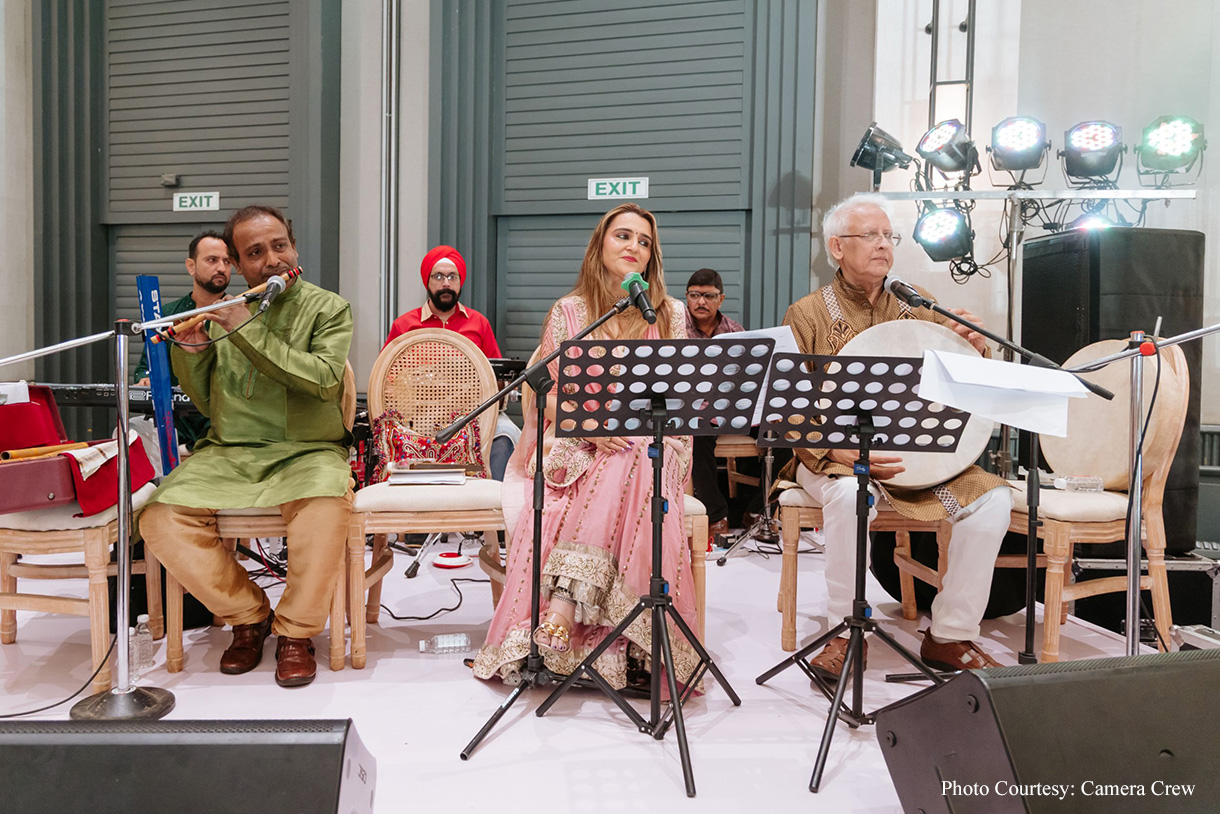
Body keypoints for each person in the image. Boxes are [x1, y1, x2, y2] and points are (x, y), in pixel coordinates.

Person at [779, 192, 1012, 677]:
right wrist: (836, 449)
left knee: (993, 502)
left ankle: (950, 635)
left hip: (914, 463)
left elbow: (962, 389)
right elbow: (789, 408)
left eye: (889, 236)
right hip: (834, 459)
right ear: (837, 248)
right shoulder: (806, 314)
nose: (884, 244)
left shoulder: (917, 308)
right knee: (850, 495)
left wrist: (975, 348)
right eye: (871, 235)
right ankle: (846, 630)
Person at [472, 202, 700, 689]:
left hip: (659, 444)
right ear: (599, 245)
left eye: (644, 241)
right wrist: (589, 425)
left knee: (640, 450)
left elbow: (681, 397)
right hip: (583, 443)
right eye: (623, 236)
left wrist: (630, 432)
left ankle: (564, 605)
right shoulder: (570, 312)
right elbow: (547, 394)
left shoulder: (672, 315)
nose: (634, 247)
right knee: (627, 455)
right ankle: (615, 642)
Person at [139, 205, 354, 688]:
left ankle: (296, 633)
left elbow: (322, 381)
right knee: (159, 516)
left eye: (279, 245)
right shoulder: (223, 314)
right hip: (230, 450)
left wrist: (246, 326)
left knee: (325, 506)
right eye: (255, 253)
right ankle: (249, 615)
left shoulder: (328, 308)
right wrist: (191, 349)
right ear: (237, 263)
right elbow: (208, 400)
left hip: (308, 451)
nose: (272, 259)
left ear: (294, 246)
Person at [383, 245, 519, 479]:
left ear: (460, 281)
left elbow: (496, 375)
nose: (446, 283)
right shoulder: (405, 325)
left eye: (451, 277)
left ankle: (493, 508)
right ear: (427, 282)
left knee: (504, 435)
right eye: (438, 276)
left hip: (473, 415)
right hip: (417, 418)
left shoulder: (479, 323)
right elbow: (387, 379)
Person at [133, 230, 232, 451]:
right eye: (212, 260)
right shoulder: (166, 315)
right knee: (130, 434)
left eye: (227, 261)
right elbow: (143, 369)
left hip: (221, 432)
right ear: (191, 266)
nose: (221, 268)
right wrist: (145, 380)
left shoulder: (239, 315)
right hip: (172, 431)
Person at [684, 268, 745, 539]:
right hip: (695, 411)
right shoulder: (675, 328)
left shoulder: (735, 331)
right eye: (695, 295)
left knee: (779, 430)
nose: (701, 302)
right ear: (686, 297)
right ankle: (717, 513)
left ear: (720, 299)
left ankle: (755, 509)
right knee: (699, 433)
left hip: (731, 408)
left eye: (708, 296)